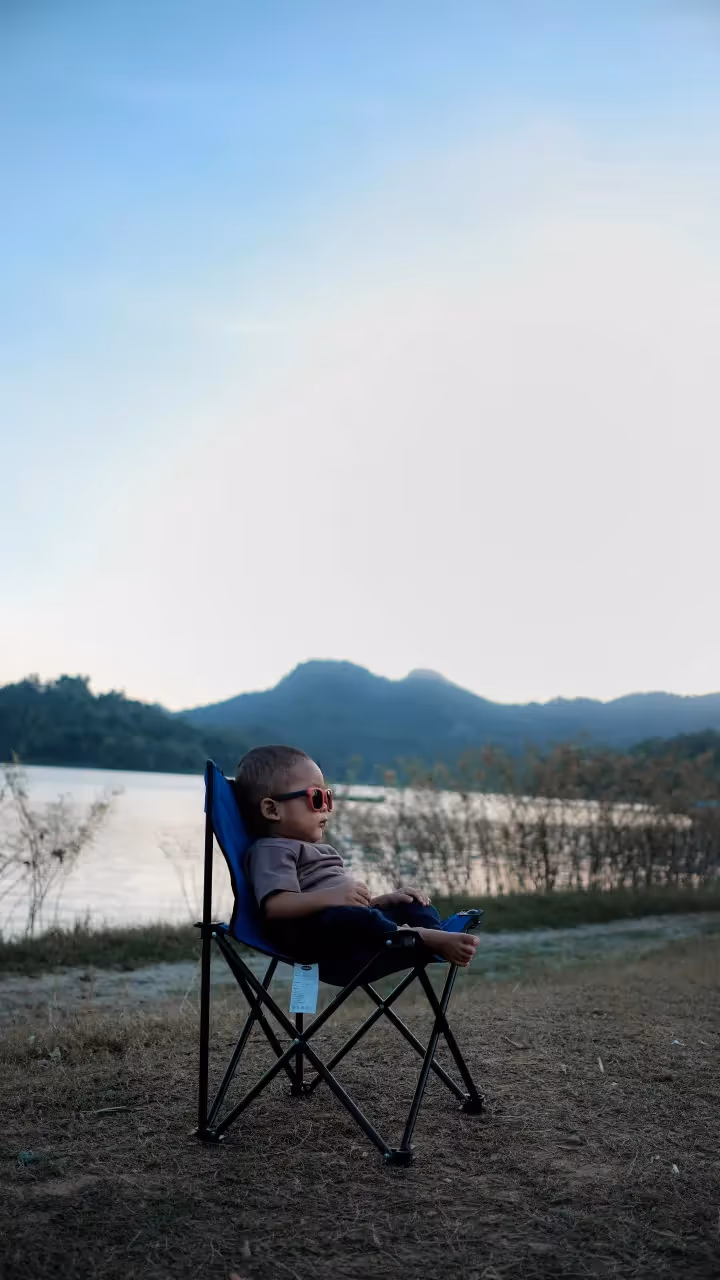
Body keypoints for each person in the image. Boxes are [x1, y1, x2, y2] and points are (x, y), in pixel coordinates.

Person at [234, 744, 479, 970]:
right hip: (310, 938)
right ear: (272, 809)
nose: (326, 807)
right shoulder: (272, 850)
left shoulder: (320, 850)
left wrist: (382, 900)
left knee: (411, 903)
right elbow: (275, 907)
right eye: (316, 798)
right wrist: (334, 897)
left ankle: (425, 937)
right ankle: (421, 937)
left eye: (328, 797)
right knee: (351, 918)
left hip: (345, 926)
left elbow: (348, 907)